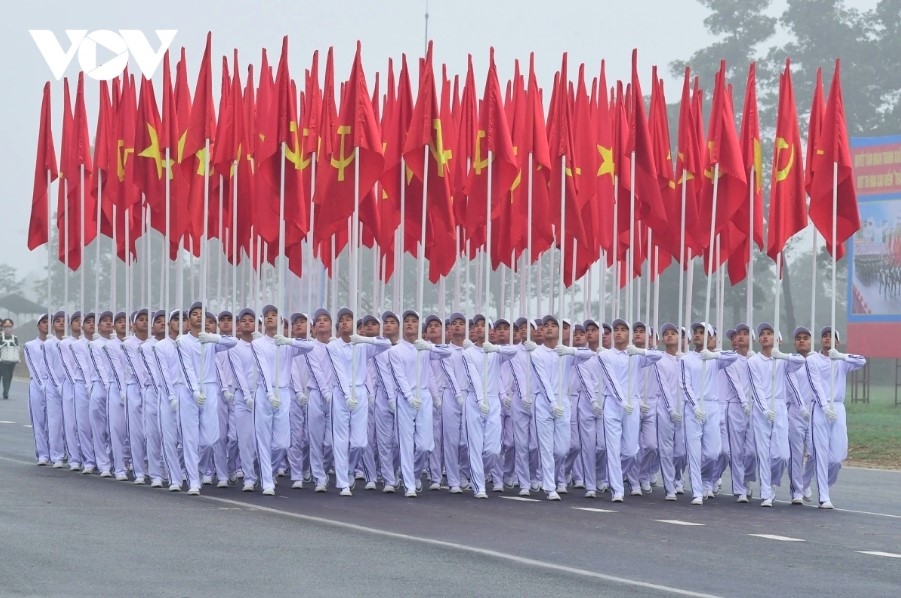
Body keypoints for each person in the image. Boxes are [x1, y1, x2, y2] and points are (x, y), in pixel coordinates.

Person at [322, 307, 391, 496]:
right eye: (342, 319)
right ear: (338, 326)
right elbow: (338, 371)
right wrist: (346, 395)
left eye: (349, 319)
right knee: (341, 440)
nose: (345, 322)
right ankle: (343, 482)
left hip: (360, 392)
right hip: (341, 393)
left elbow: (387, 343)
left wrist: (364, 339)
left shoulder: (361, 344)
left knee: (360, 443)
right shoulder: (332, 346)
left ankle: (348, 469)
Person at [175, 301, 237, 495]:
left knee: (211, 440)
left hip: (210, 388)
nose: (199, 316)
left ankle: (199, 472)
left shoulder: (210, 340)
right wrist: (194, 390)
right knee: (190, 439)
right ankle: (193, 481)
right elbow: (187, 367)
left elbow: (232, 342)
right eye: (195, 314)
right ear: (189, 320)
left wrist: (213, 338)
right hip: (189, 390)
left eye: (202, 314)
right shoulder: (182, 341)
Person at [597, 319, 662, 502]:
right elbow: (611, 380)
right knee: (613, 448)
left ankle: (613, 477)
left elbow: (659, 356)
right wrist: (621, 399)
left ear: (629, 334)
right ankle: (618, 490)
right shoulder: (605, 355)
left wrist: (640, 350)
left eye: (623, 330)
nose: (618, 333)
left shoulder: (636, 355)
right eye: (615, 329)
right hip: (612, 404)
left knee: (631, 451)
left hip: (632, 405)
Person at [388, 310, 452, 497]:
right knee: (406, 444)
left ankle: (414, 474)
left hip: (424, 397)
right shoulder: (395, 350)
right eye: (406, 321)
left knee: (425, 445)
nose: (409, 324)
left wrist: (429, 347)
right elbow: (398, 376)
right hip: (406, 398)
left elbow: (447, 353)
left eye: (414, 321)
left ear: (419, 327)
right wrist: (408, 397)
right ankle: (409, 484)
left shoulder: (425, 347)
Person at [803, 327, 866, 509]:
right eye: (824, 336)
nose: (827, 339)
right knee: (820, 453)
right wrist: (824, 406)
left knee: (837, 457)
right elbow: (815, 385)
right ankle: (824, 496)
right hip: (820, 409)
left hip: (838, 408)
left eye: (831, 336)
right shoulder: (812, 360)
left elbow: (862, 361)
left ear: (837, 342)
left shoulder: (841, 360)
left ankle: (824, 484)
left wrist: (841, 357)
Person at [679, 322, 738, 504]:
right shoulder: (685, 359)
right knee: (694, 452)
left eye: (703, 333)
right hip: (693, 408)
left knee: (713, 453)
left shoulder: (715, 359)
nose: (698, 335)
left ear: (711, 337)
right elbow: (684, 384)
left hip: (712, 407)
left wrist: (713, 354)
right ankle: (697, 491)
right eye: (696, 332)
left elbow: (733, 356)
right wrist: (695, 406)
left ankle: (706, 480)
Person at [747, 322, 805, 507]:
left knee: (781, 456)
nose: (765, 336)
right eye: (762, 333)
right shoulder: (753, 361)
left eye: (769, 333)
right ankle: (766, 492)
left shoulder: (782, 360)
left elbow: (801, 361)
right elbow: (755, 387)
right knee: (763, 453)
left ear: (777, 339)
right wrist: (764, 409)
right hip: (761, 408)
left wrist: (782, 355)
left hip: (779, 407)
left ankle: (772, 481)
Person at [23, 313, 51, 465]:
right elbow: (33, 367)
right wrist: (42, 385)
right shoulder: (30, 345)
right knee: (38, 421)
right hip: (37, 385)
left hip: (54, 386)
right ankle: (42, 454)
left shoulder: (56, 344)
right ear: (38, 326)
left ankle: (55, 452)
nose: (47, 325)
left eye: (49, 322)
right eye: (44, 322)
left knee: (54, 422)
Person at [0, 318, 20, 399]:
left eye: (9, 327)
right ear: (3, 328)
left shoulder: (15, 338)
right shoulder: (1, 338)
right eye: (6, 327)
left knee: (9, 376)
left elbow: (16, 349)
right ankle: (6, 392)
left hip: (12, 360)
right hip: (2, 360)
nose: (8, 329)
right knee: (5, 375)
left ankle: (6, 391)